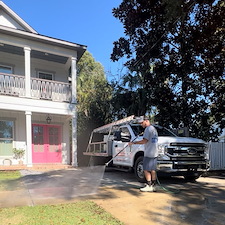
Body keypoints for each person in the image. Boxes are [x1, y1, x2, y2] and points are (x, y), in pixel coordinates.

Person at [129, 116, 158, 192]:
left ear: (146, 121)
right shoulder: (153, 129)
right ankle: (154, 185)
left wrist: (133, 143)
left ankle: (149, 185)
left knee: (146, 169)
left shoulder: (148, 129)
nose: (141, 125)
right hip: (154, 152)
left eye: (142, 123)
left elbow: (144, 141)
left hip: (149, 152)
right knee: (153, 170)